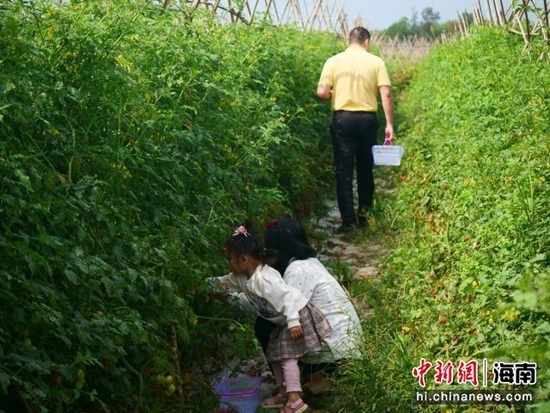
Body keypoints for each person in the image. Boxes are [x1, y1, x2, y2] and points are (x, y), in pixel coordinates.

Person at [207, 224, 332, 412]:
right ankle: (283, 392)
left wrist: (293, 322)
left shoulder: (266, 279)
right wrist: (205, 286)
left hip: (296, 315)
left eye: (231, 259)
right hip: (282, 321)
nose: (229, 262)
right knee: (275, 356)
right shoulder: (241, 277)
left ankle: (295, 400)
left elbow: (287, 298)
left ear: (243, 259)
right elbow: (224, 282)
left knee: (288, 358)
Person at [262, 218, 364, 393]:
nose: (267, 260)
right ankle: (313, 379)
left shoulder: (296, 271)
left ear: (282, 252)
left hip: (334, 356)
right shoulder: (311, 263)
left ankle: (290, 387)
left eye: (270, 254)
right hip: (347, 352)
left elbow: (279, 313)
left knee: (265, 325)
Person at [316, 26, 395, 232]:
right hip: (367, 120)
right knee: (365, 169)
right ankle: (365, 218)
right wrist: (389, 124)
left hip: (343, 119)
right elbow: (386, 94)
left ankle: (348, 222)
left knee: (344, 171)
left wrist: (334, 92)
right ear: (366, 42)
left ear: (348, 41)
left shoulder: (333, 61)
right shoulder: (376, 62)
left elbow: (322, 92)